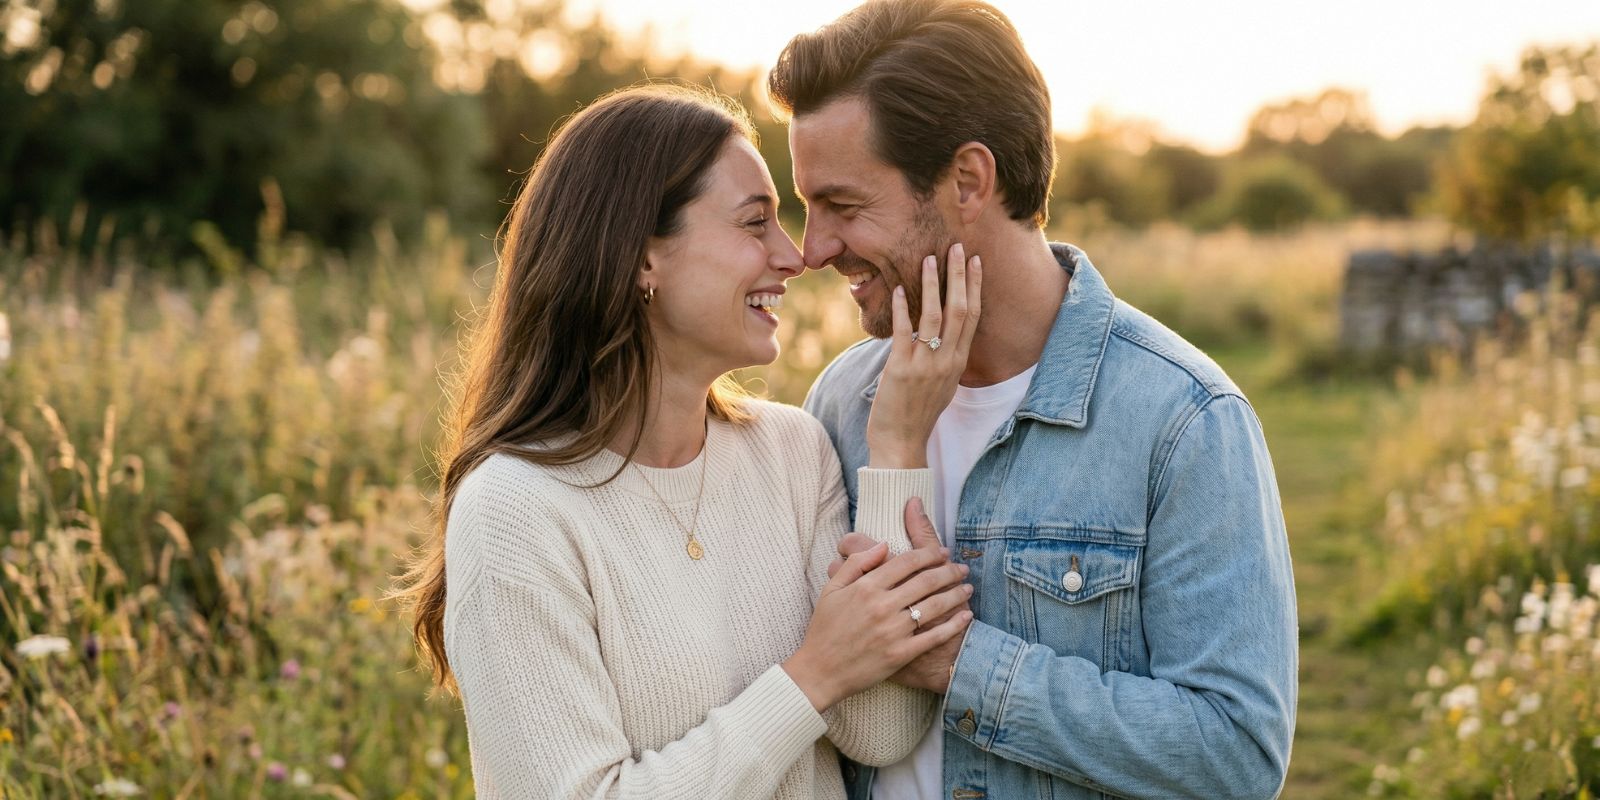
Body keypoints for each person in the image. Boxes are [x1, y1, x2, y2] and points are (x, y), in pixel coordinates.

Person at [393, 83, 989, 799]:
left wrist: (896, 449)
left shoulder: (792, 453)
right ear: (644, 258)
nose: (793, 256)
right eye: (753, 224)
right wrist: (814, 675)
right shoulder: (516, 510)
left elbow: (882, 731)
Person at [768, 1, 1299, 798]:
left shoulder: (1183, 421)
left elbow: (1236, 755)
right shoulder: (842, 401)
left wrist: (964, 666)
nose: (812, 250)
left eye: (843, 206)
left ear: (969, 181)